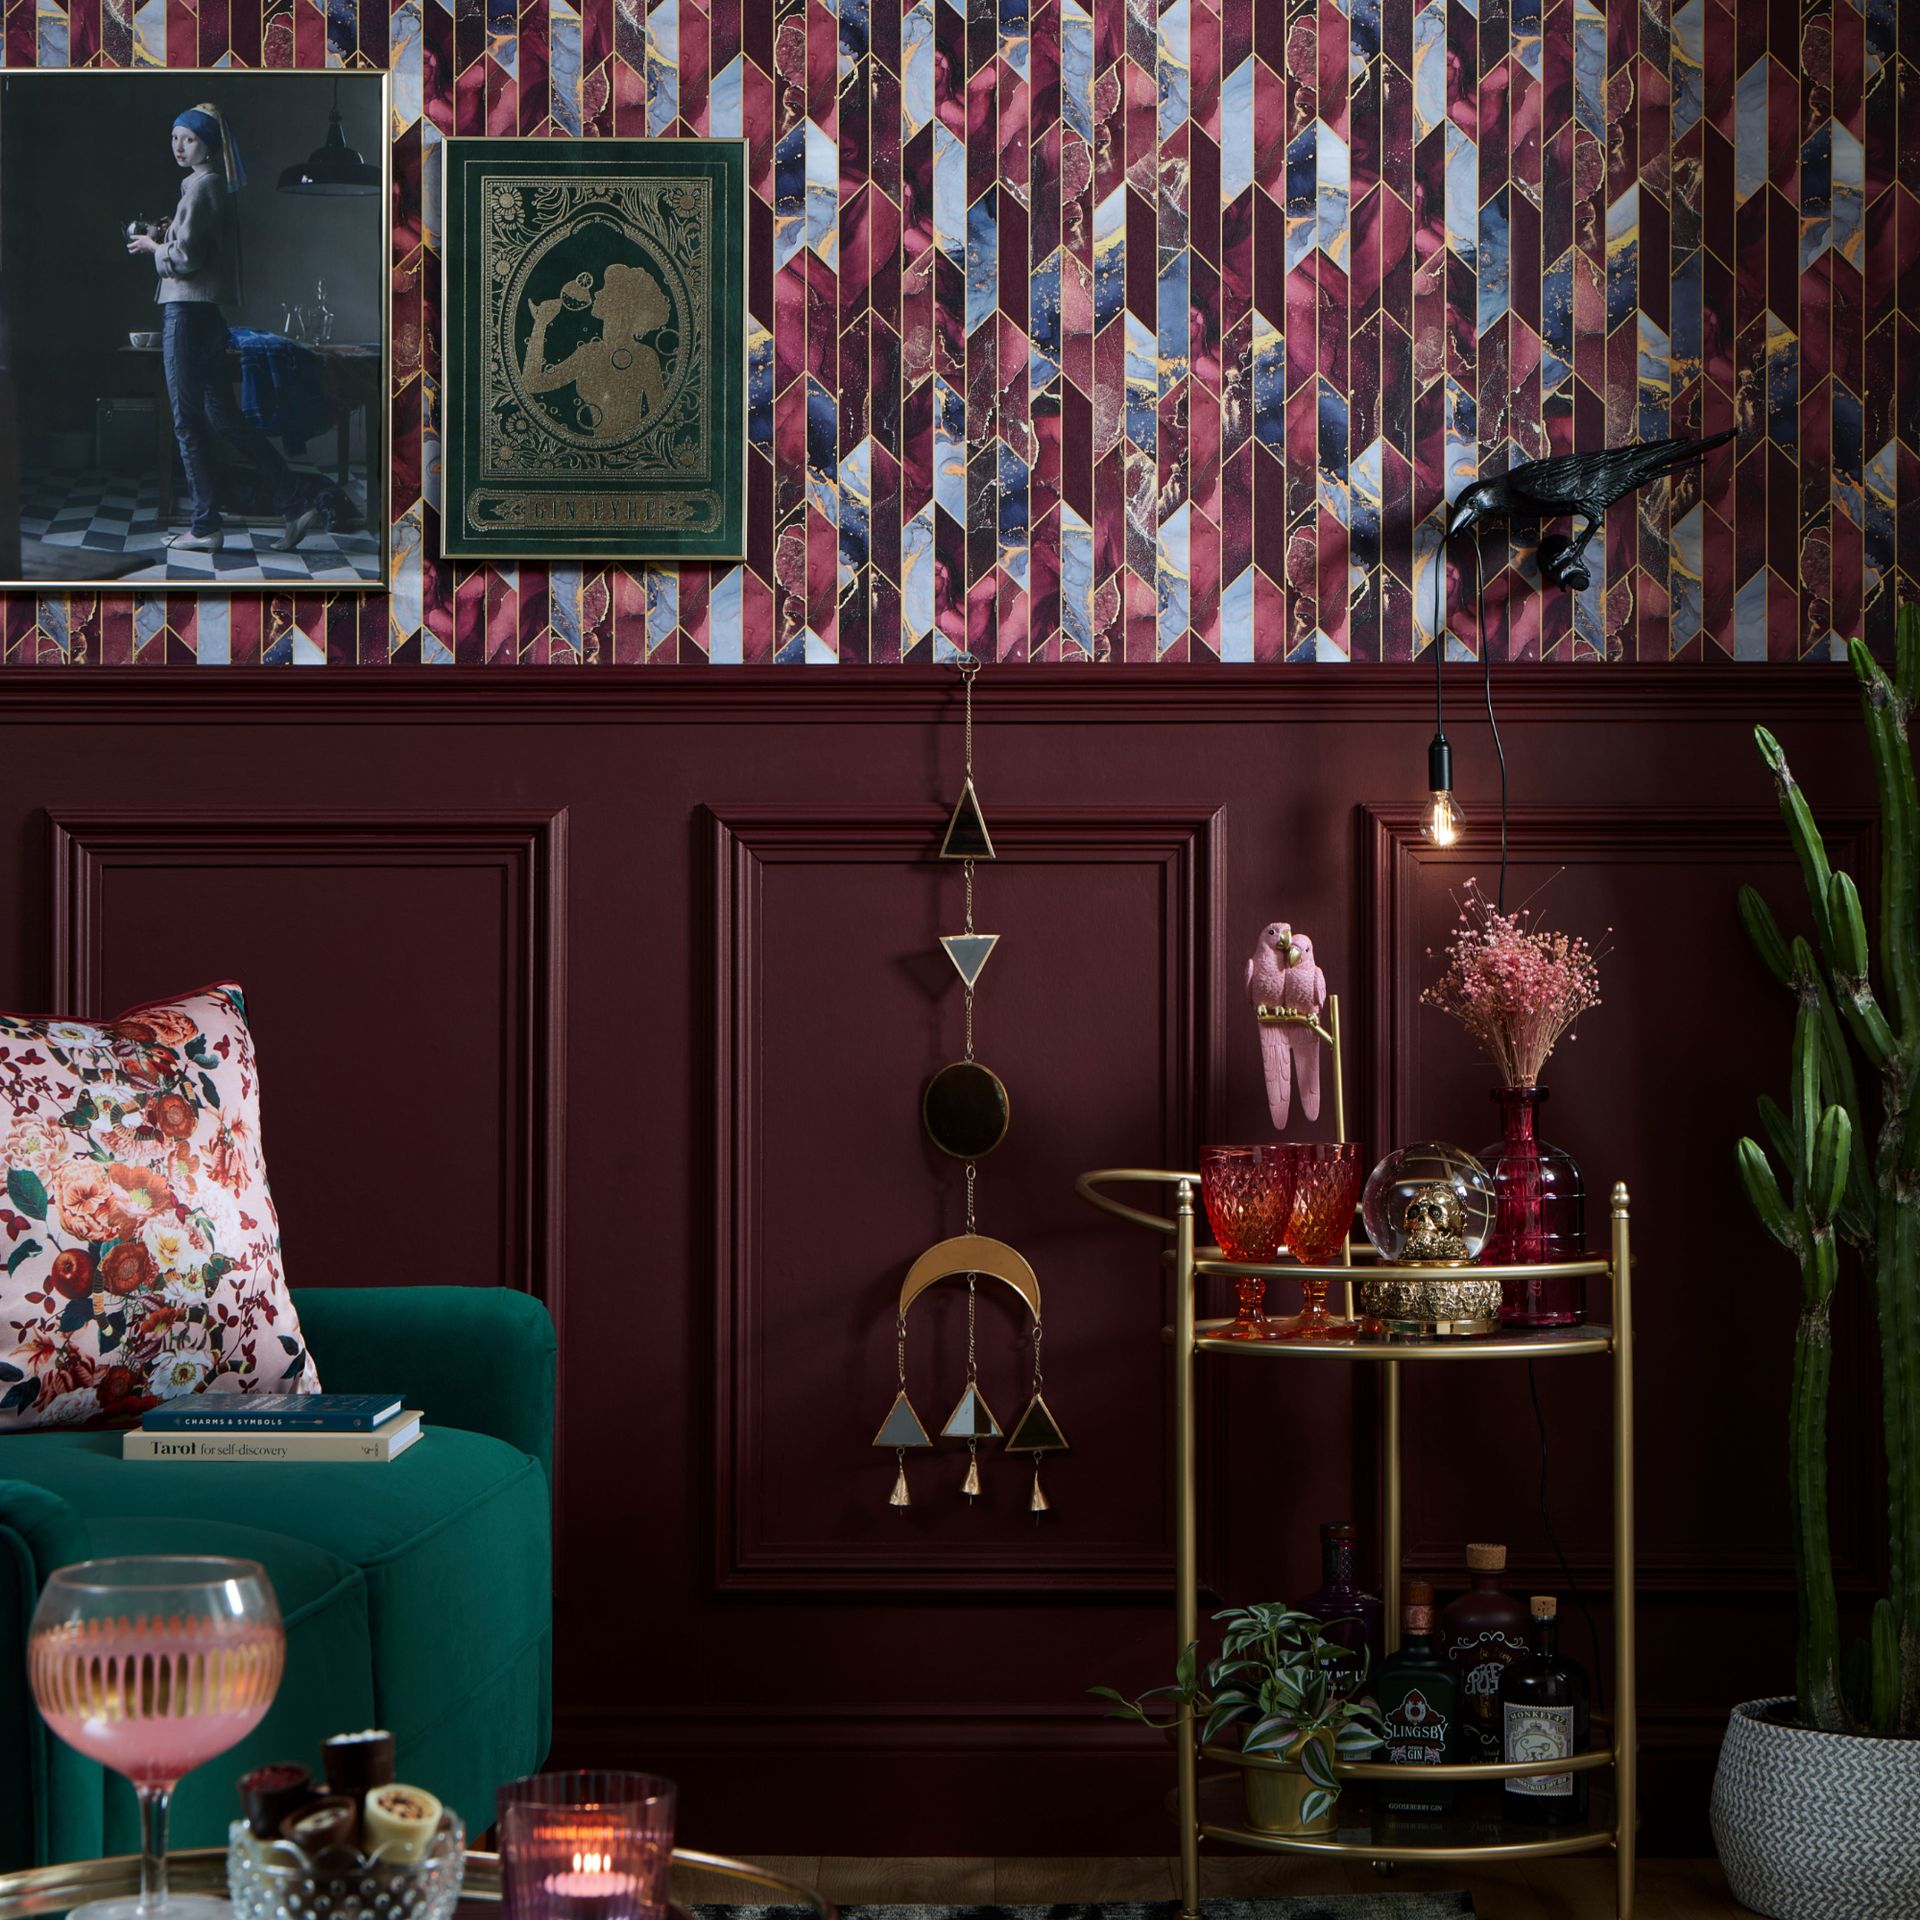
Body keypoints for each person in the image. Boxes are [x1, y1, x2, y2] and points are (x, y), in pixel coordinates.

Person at [125, 102, 320, 554]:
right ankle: (294, 502)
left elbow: (185, 260)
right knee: (225, 420)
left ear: (208, 144)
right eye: (175, 137)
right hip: (207, 317)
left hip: (187, 316)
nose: (179, 146)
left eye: (189, 139)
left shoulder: (202, 186)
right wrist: (168, 235)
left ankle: (205, 524)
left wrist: (155, 246)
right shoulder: (206, 184)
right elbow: (198, 246)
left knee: (186, 423)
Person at [520, 261, 670, 442]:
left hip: (633, 458)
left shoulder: (644, 357)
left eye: (606, 289)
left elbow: (663, 421)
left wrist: (540, 324)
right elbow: (531, 385)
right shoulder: (588, 354)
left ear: (621, 305)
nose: (597, 292)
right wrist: (540, 324)